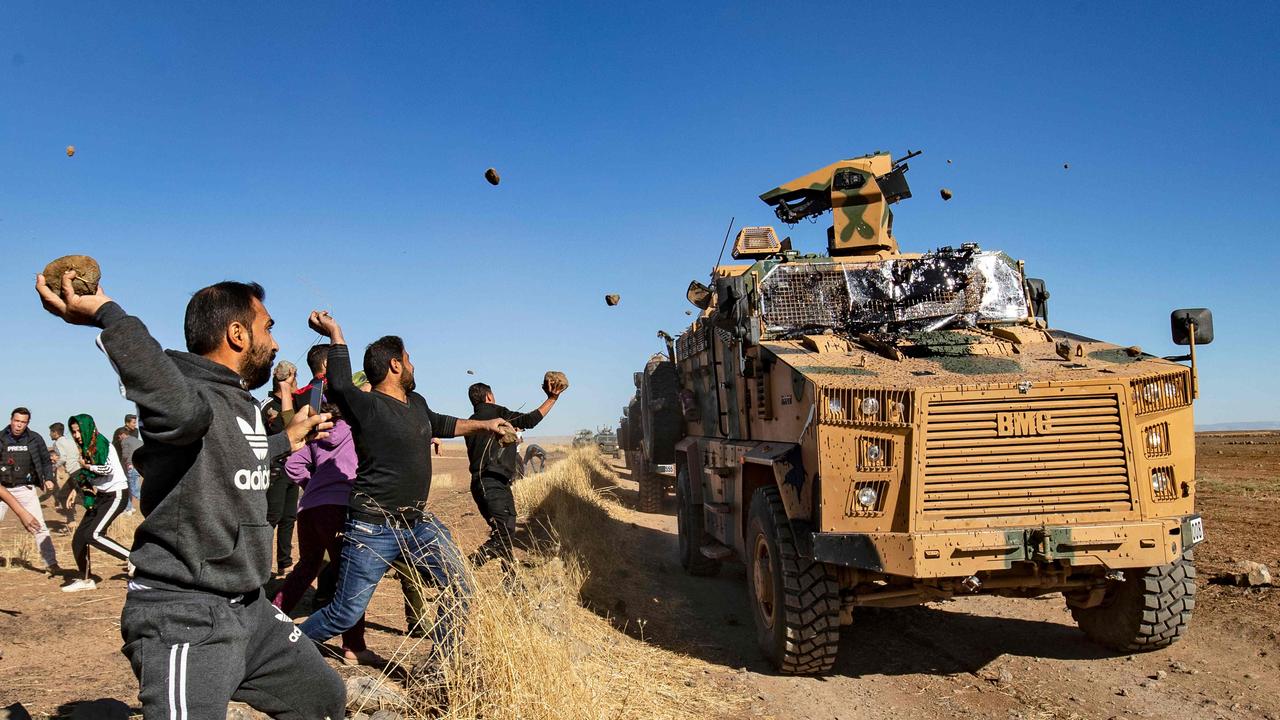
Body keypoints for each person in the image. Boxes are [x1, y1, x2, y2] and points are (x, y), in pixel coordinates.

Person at [36, 270, 345, 720]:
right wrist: (109, 315)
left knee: (320, 697)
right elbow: (183, 414)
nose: (276, 344)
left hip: (251, 610)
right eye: (268, 328)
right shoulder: (187, 389)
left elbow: (236, 456)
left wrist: (287, 439)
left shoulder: (235, 400)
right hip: (185, 616)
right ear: (237, 334)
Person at [299, 311, 514, 678]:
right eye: (409, 359)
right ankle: (281, 650)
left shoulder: (416, 404)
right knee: (343, 614)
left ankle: (440, 667)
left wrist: (486, 424)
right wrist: (335, 333)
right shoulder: (364, 406)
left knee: (459, 585)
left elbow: (444, 424)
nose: (414, 365)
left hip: (416, 524)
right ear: (395, 365)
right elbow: (338, 382)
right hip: (372, 527)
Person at [272, 354, 379, 666]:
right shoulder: (355, 432)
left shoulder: (316, 435)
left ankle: (272, 619)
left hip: (309, 510)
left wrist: (313, 483)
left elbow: (292, 465)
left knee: (306, 567)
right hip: (339, 509)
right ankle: (353, 646)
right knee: (351, 575)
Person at [465, 382, 564, 567]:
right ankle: (465, 568)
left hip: (482, 486)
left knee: (505, 532)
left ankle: (513, 584)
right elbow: (530, 420)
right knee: (503, 536)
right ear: (489, 397)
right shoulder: (497, 414)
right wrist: (552, 398)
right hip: (494, 484)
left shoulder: (470, 423)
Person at [61, 414, 132, 592]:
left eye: (78, 431)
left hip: (116, 495)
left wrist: (87, 467)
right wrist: (76, 489)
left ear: (88, 428)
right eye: (73, 432)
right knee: (78, 539)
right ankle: (86, 579)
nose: (76, 435)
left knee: (94, 534)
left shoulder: (102, 444)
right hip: (102, 496)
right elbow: (89, 476)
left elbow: (107, 470)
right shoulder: (86, 447)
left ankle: (132, 558)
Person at [0, 407, 60, 572]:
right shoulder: (1, 438)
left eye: (23, 422)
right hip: (2, 489)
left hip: (25, 488)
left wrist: (48, 478)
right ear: (11, 420)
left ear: (27, 423)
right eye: (16, 421)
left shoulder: (35, 439)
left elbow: (46, 461)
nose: (19, 425)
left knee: (38, 525)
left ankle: (51, 563)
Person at [260, 361, 299, 575]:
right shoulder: (267, 404)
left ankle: (285, 563)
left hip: (291, 468)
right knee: (271, 517)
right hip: (274, 468)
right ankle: (261, 566)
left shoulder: (291, 404)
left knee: (288, 517)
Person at [50, 421, 84, 525]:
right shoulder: (70, 441)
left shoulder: (58, 443)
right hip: (78, 470)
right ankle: (71, 520)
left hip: (74, 472)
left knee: (77, 497)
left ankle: (74, 519)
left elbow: (63, 457)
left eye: (50, 432)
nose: (50, 434)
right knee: (64, 495)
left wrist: (54, 467)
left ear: (55, 432)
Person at [117, 427, 144, 515]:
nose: (119, 438)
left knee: (134, 489)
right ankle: (128, 508)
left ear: (122, 435)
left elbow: (125, 455)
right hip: (140, 466)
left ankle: (154, 504)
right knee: (129, 488)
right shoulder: (138, 441)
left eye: (119, 436)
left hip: (131, 467)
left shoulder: (125, 441)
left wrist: (123, 465)